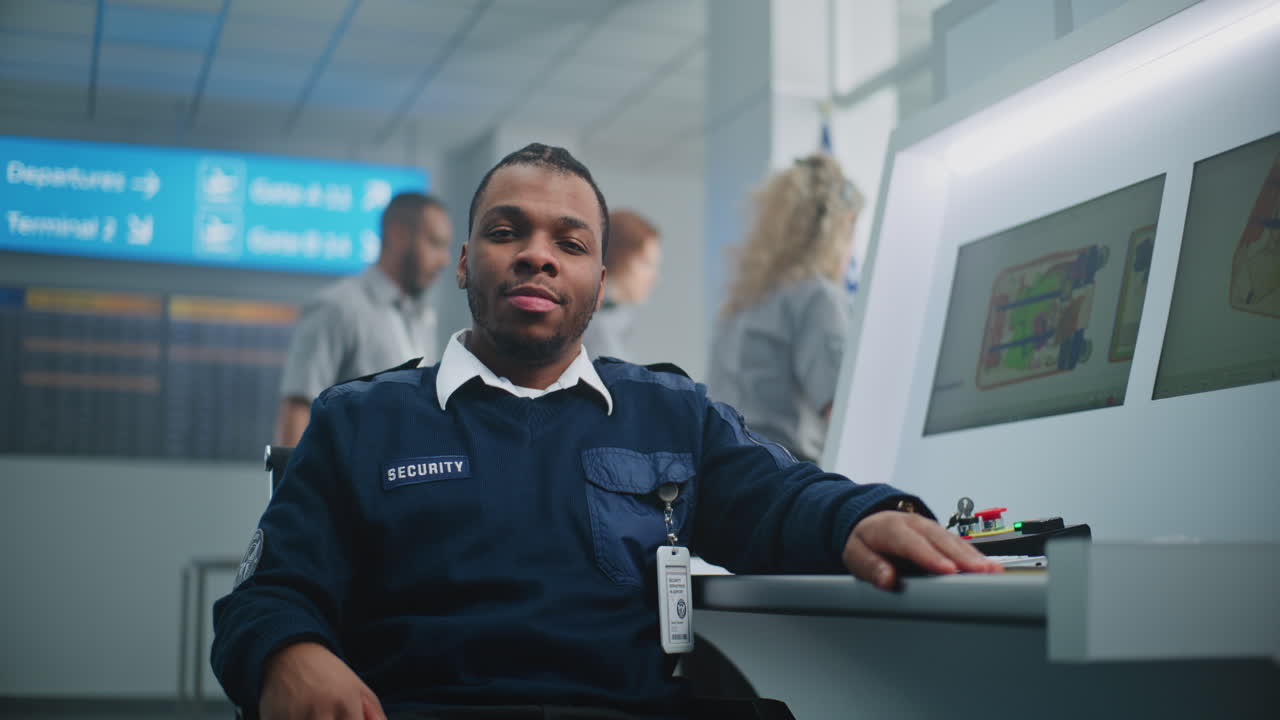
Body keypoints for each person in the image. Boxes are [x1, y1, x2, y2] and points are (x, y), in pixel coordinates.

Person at [213, 144, 999, 720]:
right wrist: (292, 656)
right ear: (462, 263)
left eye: (570, 243)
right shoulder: (363, 419)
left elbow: (779, 493)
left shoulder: (669, 411)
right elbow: (269, 592)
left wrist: (862, 516)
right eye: (506, 232)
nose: (537, 257)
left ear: (597, 278)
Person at [707, 154, 864, 465]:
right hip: (786, 475)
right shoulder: (817, 297)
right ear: (839, 227)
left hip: (727, 473)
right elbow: (843, 413)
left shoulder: (743, 302)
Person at [273, 192, 453, 446]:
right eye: (435, 243)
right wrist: (292, 485)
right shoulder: (337, 307)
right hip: (343, 483)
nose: (444, 261)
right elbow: (298, 409)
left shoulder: (423, 317)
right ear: (399, 234)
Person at [581, 209, 661, 360]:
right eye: (646, 263)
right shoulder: (597, 327)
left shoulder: (613, 320)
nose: (655, 277)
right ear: (619, 258)